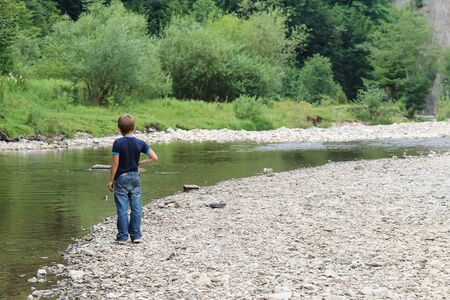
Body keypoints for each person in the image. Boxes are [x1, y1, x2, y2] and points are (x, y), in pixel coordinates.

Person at [107, 114, 158, 244]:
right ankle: (136, 235)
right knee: (136, 207)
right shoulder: (140, 143)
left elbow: (115, 164)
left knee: (122, 208)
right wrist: (139, 163)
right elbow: (154, 157)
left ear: (119, 129)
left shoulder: (118, 143)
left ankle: (123, 237)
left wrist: (111, 180)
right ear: (134, 127)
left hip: (122, 178)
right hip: (135, 177)